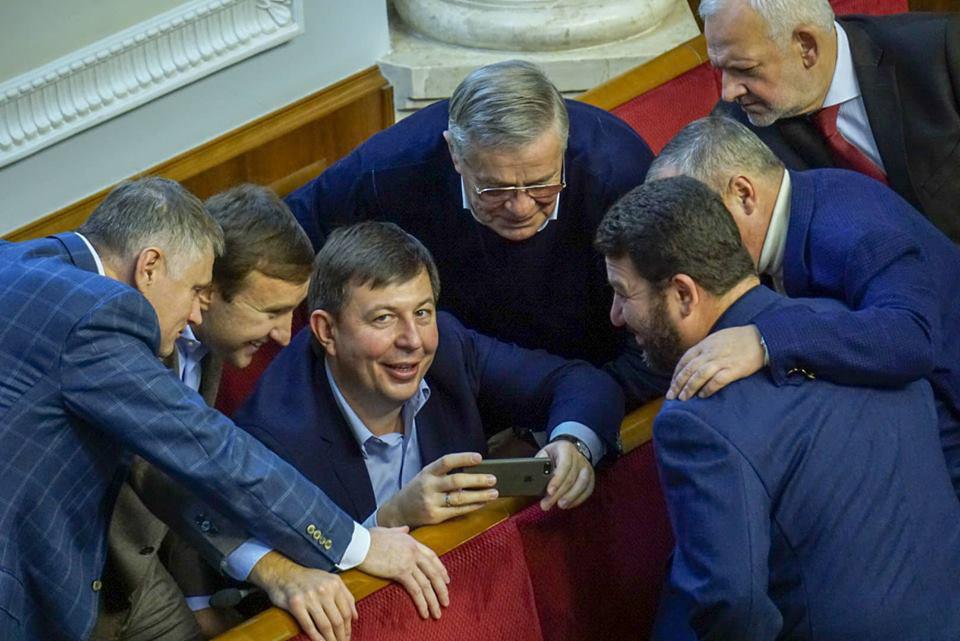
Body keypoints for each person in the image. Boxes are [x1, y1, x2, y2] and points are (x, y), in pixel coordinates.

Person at [0, 178, 448, 641]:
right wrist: (357, 543)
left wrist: (269, 572)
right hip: (36, 581)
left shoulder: (20, 263)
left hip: (120, 581)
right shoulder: (99, 316)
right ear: (150, 267)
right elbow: (211, 450)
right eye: (196, 289)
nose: (197, 311)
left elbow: (170, 470)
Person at [595, 175, 960, 641]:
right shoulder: (855, 329)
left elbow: (734, 608)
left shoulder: (696, 418)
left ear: (684, 294)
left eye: (624, 293)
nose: (616, 315)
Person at [285, 59, 665, 408]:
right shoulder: (393, 165)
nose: (521, 208)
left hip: (589, 373)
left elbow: (659, 346)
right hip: (455, 376)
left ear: (562, 149)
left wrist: (573, 414)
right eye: (494, 189)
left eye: (541, 185)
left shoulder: (621, 177)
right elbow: (290, 233)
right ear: (454, 153)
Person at [644, 115, 960, 495]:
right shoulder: (783, 227)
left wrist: (766, 341)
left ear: (743, 194)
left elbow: (911, 336)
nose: (681, 248)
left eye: (689, 224)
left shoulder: (852, 226)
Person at [93, 184, 353, 641]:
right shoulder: (122, 344)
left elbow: (190, 478)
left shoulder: (209, 346)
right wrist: (284, 567)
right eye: (271, 311)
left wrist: (198, 601)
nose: (284, 335)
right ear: (207, 290)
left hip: (141, 582)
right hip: (73, 587)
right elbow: (164, 471)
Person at [701, 0, 960, 241]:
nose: (728, 92)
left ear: (806, 47)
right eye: (721, 70)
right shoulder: (734, 131)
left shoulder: (941, 52)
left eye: (744, 69)